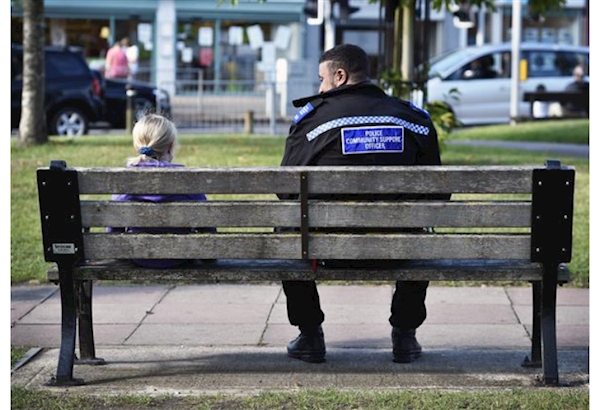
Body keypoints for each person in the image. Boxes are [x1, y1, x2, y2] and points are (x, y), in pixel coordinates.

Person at [278, 44, 449, 364]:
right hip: (399, 249)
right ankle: (405, 334)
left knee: (286, 228)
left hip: (328, 250)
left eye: (322, 79)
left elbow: (284, 191)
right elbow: (438, 193)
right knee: (421, 226)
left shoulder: (312, 123)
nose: (320, 88)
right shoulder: (415, 120)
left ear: (340, 76)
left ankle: (310, 334)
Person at [107, 114, 215, 268]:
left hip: (138, 256)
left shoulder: (125, 180)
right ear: (170, 146)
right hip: (181, 256)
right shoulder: (187, 180)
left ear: (137, 145)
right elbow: (207, 227)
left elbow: (113, 229)